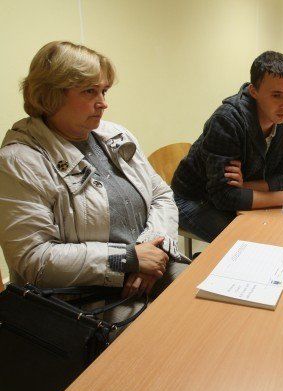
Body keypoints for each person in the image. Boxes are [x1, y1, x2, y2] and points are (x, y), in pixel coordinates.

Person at [0, 41, 189, 324]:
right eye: (89, 91)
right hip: (81, 300)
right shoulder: (18, 161)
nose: (103, 103)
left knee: (212, 302)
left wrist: (154, 250)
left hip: (149, 270)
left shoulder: (115, 134)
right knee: (174, 330)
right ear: (50, 95)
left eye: (104, 91)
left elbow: (161, 194)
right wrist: (128, 259)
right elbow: (34, 259)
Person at [172, 51, 283, 242]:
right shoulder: (227, 120)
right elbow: (224, 196)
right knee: (252, 242)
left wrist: (246, 186)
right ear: (253, 91)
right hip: (194, 198)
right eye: (276, 95)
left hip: (234, 192)